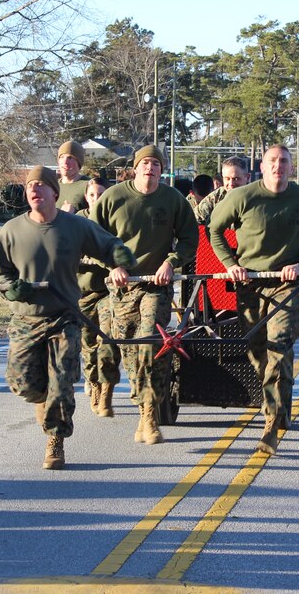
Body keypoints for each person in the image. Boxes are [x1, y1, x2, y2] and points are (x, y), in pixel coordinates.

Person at [0, 165, 136, 470]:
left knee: (62, 384)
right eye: (30, 186)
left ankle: (55, 441)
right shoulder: (12, 230)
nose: (34, 190)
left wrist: (119, 260)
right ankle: (43, 400)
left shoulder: (74, 226)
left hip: (65, 317)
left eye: (41, 185)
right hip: (25, 319)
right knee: (23, 384)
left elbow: (107, 244)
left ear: (54, 192)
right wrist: (11, 288)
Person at [208, 145, 299, 455]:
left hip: (285, 285)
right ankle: (281, 403)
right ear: (261, 167)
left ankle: (269, 425)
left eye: (284, 162)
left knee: (279, 346)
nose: (279, 166)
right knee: (258, 354)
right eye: (273, 161)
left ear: (292, 168)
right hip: (250, 284)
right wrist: (230, 264)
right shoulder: (242, 196)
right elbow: (215, 229)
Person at [92, 144, 198, 445]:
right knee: (130, 351)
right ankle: (141, 404)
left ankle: (150, 414)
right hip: (123, 287)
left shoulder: (173, 200)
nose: (150, 168)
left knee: (152, 344)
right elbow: (93, 237)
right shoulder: (113, 198)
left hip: (157, 285)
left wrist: (171, 262)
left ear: (161, 170)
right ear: (135, 168)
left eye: (155, 164)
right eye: (145, 163)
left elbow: (190, 239)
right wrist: (111, 265)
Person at [76, 179, 117, 417]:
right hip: (82, 294)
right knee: (88, 347)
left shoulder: (112, 221)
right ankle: (94, 383)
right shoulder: (76, 222)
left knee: (109, 340)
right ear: (86, 197)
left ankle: (106, 390)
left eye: (101, 194)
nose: (97, 198)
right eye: (92, 194)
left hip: (108, 293)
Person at [194, 155, 250, 227]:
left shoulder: (256, 198)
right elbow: (193, 219)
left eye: (236, 179)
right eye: (227, 178)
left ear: (247, 177)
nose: (231, 184)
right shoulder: (216, 197)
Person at [56, 140, 90, 212]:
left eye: (70, 158)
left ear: (78, 162)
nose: (65, 162)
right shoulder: (52, 186)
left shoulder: (89, 185)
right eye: (62, 157)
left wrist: (74, 213)